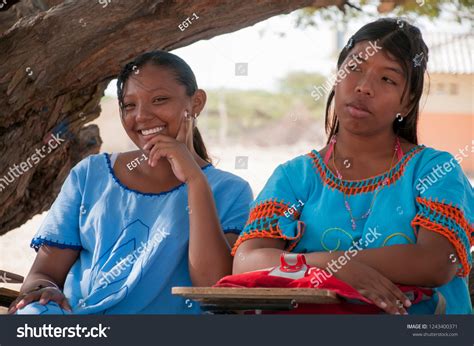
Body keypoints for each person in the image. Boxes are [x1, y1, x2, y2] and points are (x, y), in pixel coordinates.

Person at [232, 18, 473, 315]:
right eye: (354, 67)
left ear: (407, 102)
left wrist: (324, 263)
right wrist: (333, 267)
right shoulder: (295, 177)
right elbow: (246, 261)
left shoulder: (433, 170)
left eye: (387, 79)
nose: (363, 87)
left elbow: (436, 263)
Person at [10, 50, 253, 314]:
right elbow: (43, 274)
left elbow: (214, 289)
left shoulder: (230, 190)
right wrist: (44, 291)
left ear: (196, 103)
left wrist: (195, 180)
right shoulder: (90, 175)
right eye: (129, 105)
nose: (142, 116)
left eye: (159, 99)